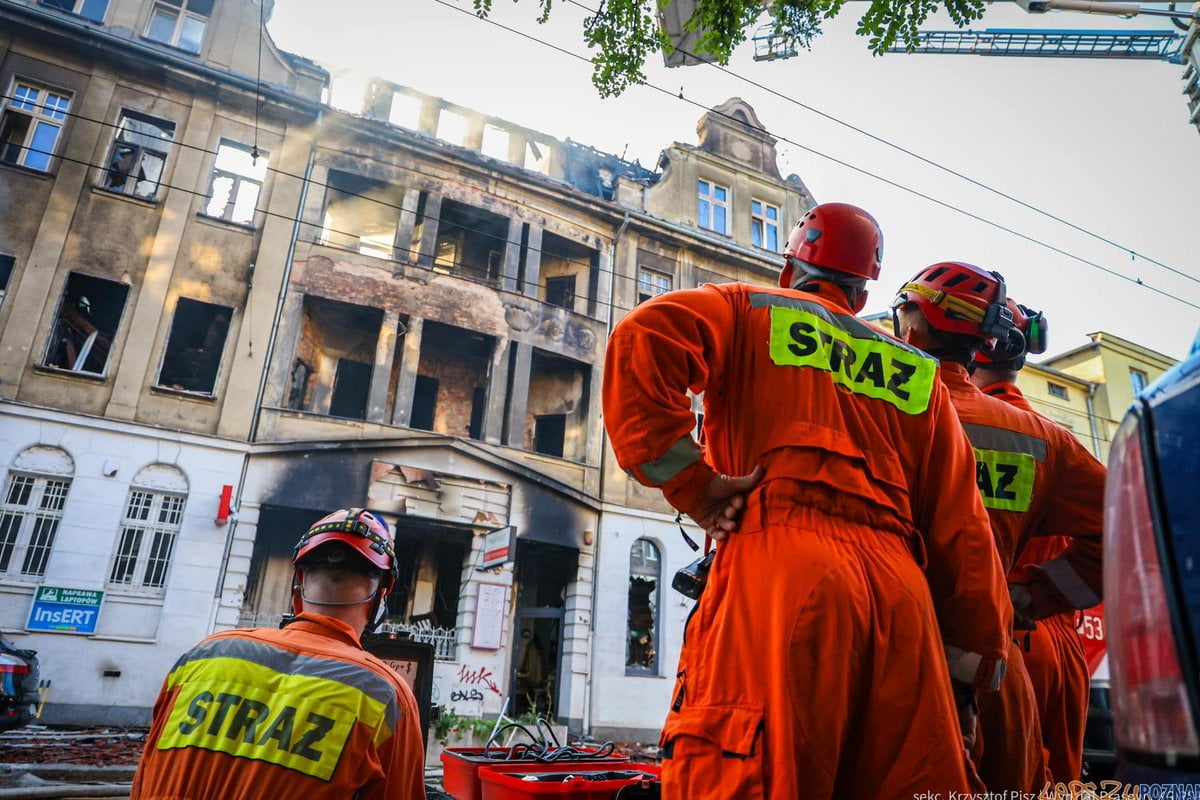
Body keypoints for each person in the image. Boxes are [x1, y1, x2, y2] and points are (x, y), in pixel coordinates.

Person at [603, 202, 1012, 800]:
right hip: (901, 599)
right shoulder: (919, 372)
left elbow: (642, 340)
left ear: (789, 264)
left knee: (754, 768)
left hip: (780, 571)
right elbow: (963, 537)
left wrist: (699, 488)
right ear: (864, 285)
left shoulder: (747, 307)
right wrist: (963, 682)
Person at [892, 265, 1106, 793]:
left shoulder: (883, 407)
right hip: (1008, 642)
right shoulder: (1045, 437)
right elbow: (1129, 529)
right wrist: (1032, 596)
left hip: (897, 632)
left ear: (912, 332)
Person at [131, 508, 425, 800]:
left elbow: (144, 777)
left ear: (298, 582)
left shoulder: (202, 657)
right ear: (383, 594)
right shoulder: (385, 696)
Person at [971, 301, 1091, 783]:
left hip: (992, 635)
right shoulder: (1056, 440)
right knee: (1060, 780)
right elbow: (1126, 531)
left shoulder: (948, 423)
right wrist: (1042, 593)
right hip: (1058, 638)